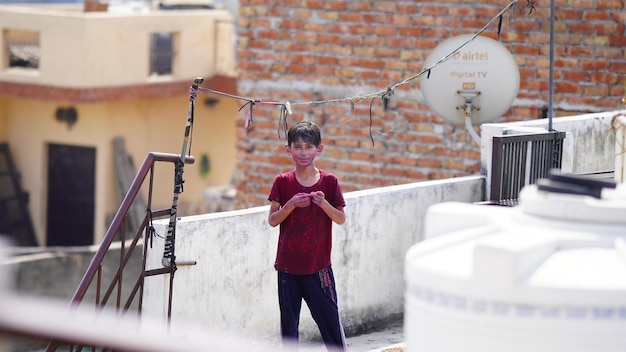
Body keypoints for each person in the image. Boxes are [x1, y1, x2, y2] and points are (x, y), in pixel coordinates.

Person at [267, 120, 348, 352]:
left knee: (331, 324)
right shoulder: (282, 182)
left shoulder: (330, 181)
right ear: (288, 149)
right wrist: (291, 204)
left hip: (319, 269)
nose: (303, 153)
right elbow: (273, 220)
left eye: (309, 147)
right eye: (298, 147)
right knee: (289, 331)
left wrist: (324, 205)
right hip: (287, 270)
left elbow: (340, 218)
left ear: (318, 149)